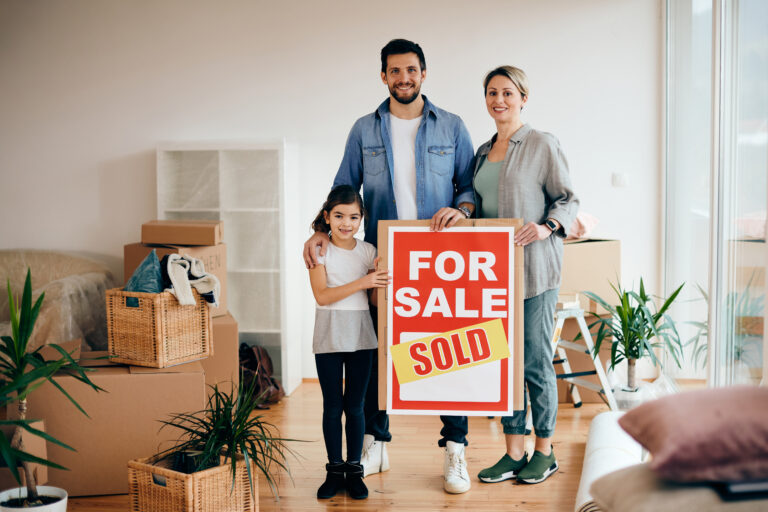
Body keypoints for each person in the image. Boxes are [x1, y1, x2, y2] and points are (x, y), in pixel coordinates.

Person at [303, 39, 476, 494]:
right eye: (395, 71)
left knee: (447, 347)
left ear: (424, 73)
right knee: (379, 349)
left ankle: (455, 447)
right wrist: (319, 229)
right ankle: (377, 440)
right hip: (382, 255)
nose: (404, 78)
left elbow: (468, 186)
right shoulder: (364, 129)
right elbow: (343, 187)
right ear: (383, 75)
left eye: (412, 70)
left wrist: (463, 208)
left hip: (440, 259)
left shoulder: (452, 125)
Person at [472, 66, 578, 485]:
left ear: (523, 98)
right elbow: (475, 203)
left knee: (535, 361)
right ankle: (514, 451)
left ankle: (545, 452)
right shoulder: (482, 151)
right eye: (492, 93)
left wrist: (547, 226)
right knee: (506, 363)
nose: (500, 100)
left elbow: (568, 199)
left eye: (508, 93)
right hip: (494, 276)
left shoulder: (541, 143)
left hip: (534, 271)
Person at [308, 185, 390, 500]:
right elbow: (322, 296)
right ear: (327, 216)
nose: (346, 223)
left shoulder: (368, 252)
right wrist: (365, 280)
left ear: (361, 219)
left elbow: (372, 299)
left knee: (356, 407)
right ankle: (333, 470)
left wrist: (378, 278)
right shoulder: (318, 251)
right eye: (339, 215)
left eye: (354, 217)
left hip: (361, 334)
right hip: (328, 332)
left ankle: (354, 470)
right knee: (333, 406)